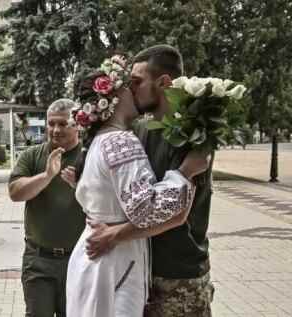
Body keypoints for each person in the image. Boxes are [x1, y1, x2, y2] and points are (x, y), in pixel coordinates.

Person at [79, 45, 218, 317]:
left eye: (137, 82)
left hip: (179, 276)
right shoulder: (137, 130)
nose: (131, 89)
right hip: (136, 269)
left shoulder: (194, 138)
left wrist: (114, 235)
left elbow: (177, 212)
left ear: (164, 83)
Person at [8, 99, 86, 317]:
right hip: (39, 261)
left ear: (78, 124)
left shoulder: (89, 156)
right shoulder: (33, 155)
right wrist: (47, 176)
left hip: (78, 261)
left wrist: (80, 186)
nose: (55, 130)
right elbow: (15, 192)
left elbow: (105, 203)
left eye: (63, 124)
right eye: (51, 124)